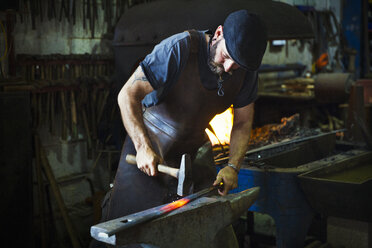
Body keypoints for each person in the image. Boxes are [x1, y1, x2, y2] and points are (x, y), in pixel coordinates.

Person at [101, 9, 267, 248]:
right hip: (150, 149)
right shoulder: (179, 49)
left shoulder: (246, 72)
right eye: (226, 56)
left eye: (237, 65)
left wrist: (232, 167)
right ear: (218, 33)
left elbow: (242, 123)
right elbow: (127, 95)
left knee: (210, 232)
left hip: (193, 153)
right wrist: (143, 147)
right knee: (126, 233)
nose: (230, 67)